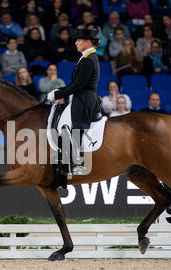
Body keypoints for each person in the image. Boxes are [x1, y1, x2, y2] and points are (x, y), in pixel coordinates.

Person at [46, 28, 101, 175]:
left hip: (85, 99)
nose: (76, 42)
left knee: (65, 126)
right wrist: (59, 92)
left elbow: (77, 86)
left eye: (79, 40)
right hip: (82, 97)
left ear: (87, 42)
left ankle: (76, 163)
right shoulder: (85, 57)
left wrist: (57, 93)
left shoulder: (89, 60)